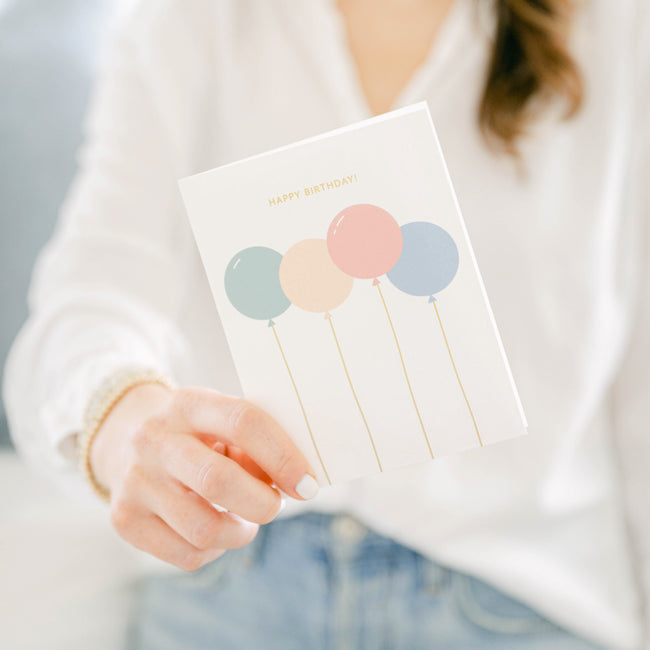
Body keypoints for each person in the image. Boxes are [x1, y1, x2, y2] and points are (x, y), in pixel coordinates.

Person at [3, 0, 649, 648]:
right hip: (234, 577)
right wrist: (127, 425)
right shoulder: (188, 20)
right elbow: (91, 297)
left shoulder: (621, 32)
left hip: (516, 591)